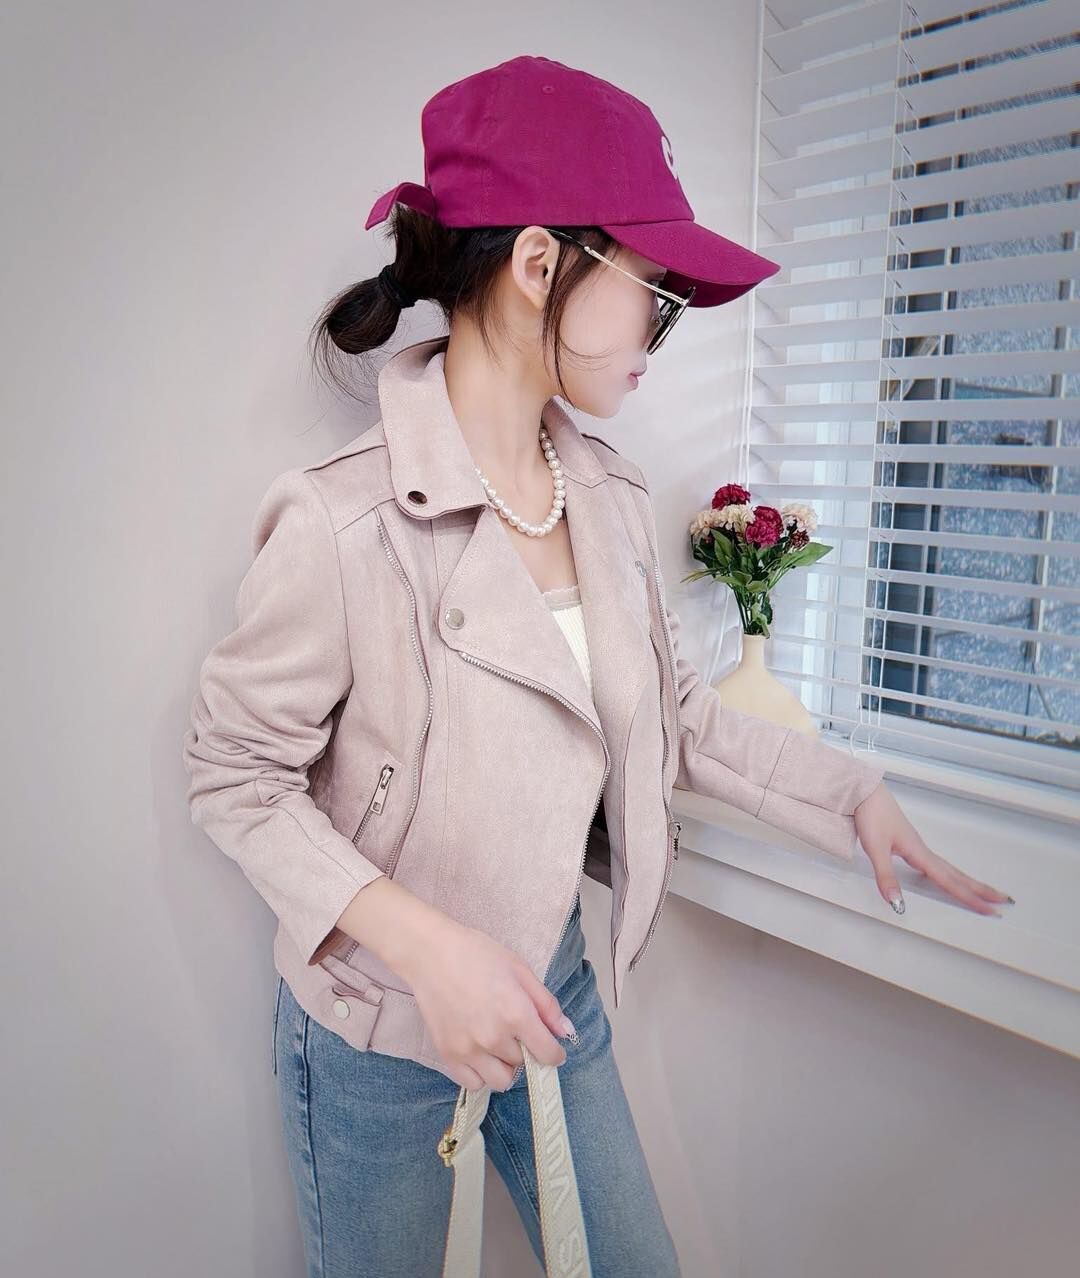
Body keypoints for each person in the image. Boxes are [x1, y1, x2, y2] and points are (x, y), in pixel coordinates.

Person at [182, 55, 1014, 1278]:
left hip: (553, 986)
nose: (660, 336)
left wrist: (853, 793)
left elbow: (677, 721)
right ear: (538, 265)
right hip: (381, 1031)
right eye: (657, 298)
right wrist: (430, 951)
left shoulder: (611, 497)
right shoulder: (342, 520)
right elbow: (235, 776)